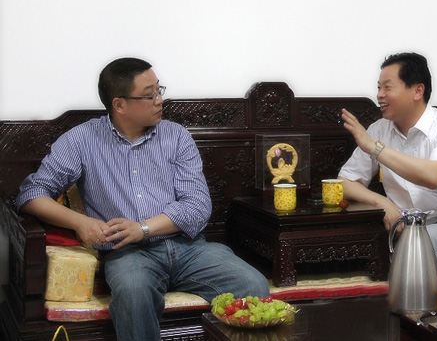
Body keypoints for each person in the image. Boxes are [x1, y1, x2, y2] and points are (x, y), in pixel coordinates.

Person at [15, 57, 270, 340]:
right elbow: (31, 194)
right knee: (134, 292)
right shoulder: (81, 140)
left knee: (252, 285)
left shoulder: (176, 137)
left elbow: (197, 206)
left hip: (188, 248)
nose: (160, 100)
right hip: (128, 254)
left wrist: (143, 228)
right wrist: (79, 222)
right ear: (119, 105)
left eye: (159, 90)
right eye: (149, 95)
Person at [338, 52, 437, 288]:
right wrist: (383, 203)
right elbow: (344, 182)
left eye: (388, 87)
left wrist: (375, 149)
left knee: (416, 245)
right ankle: (436, 309)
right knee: (418, 259)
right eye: (378, 87)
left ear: (418, 91)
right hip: (408, 231)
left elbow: (434, 176)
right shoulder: (379, 130)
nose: (379, 95)